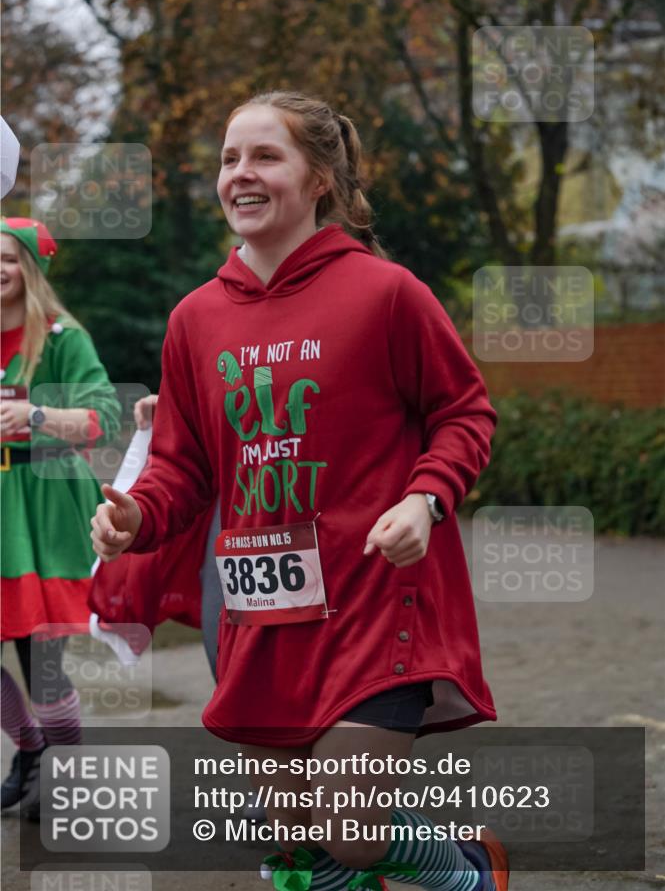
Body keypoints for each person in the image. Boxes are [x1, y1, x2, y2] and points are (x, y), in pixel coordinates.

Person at [90, 93, 508, 891]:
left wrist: (423, 499)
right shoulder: (195, 318)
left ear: (319, 178)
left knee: (348, 831)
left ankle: (472, 878)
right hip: (263, 616)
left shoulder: (386, 293)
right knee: (293, 836)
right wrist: (138, 516)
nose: (239, 175)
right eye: (228, 159)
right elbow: (184, 467)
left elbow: (464, 412)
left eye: (264, 157)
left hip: (375, 602)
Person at [1, 217, 121, 815]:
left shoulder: (60, 336)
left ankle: (66, 769)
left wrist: (36, 416)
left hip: (44, 506)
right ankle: (31, 750)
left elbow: (105, 416)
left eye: (9, 258)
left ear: (32, 268)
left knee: (41, 662)